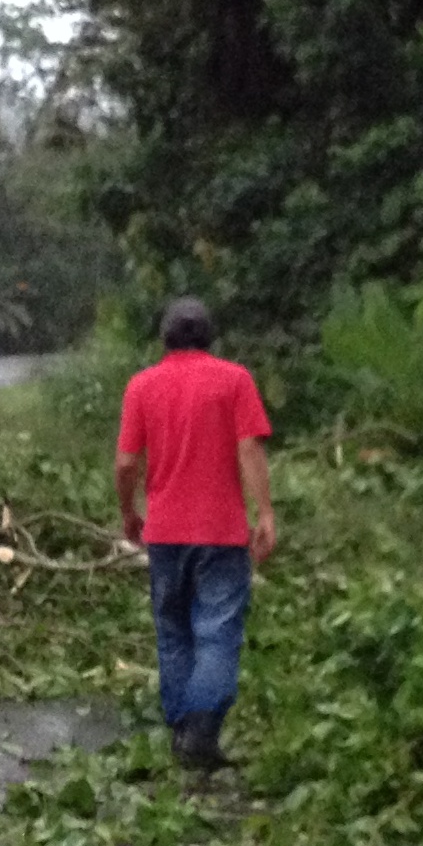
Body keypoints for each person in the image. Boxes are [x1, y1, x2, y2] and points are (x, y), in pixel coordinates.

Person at [115, 297, 275, 772]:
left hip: (164, 534)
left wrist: (128, 513)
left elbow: (126, 463)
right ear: (210, 338)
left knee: (174, 634)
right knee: (218, 634)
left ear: (163, 339)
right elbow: (249, 449)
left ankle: (185, 731)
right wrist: (264, 512)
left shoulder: (142, 385)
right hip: (222, 534)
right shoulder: (234, 380)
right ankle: (200, 734)